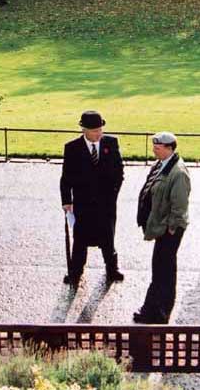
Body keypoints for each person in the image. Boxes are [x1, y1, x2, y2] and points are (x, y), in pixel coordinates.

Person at [60, 110, 124, 285]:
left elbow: (119, 172)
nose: (99, 133)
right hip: (83, 203)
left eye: (100, 129)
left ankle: (112, 269)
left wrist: (113, 194)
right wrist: (66, 201)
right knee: (80, 239)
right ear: (84, 130)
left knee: (108, 237)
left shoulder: (111, 143)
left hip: (106, 203)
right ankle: (75, 272)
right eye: (95, 130)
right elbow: (66, 177)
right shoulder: (72, 148)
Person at [134, 131, 191, 324]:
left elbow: (179, 206)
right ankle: (156, 309)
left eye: (157, 148)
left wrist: (171, 229)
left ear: (169, 148)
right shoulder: (163, 164)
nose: (154, 150)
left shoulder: (178, 173)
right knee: (163, 269)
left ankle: (156, 312)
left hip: (170, 229)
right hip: (164, 226)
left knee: (162, 270)